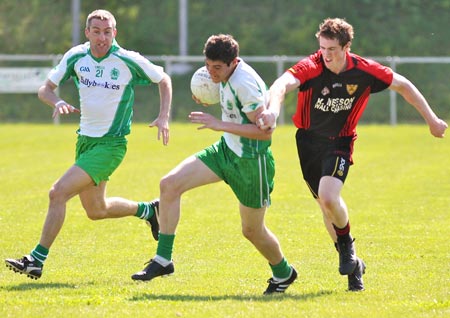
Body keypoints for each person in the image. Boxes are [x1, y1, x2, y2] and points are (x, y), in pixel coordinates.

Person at [257, 18, 448, 291]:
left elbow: (403, 85)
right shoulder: (312, 66)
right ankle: (354, 267)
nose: (326, 54)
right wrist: (273, 111)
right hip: (308, 143)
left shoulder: (364, 70)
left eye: (332, 49)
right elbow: (281, 85)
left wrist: (431, 119)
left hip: (340, 141)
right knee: (326, 207)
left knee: (329, 196)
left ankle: (346, 245)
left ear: (347, 47)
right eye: (322, 47)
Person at [5, 9, 172, 280]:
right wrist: (56, 100)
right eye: (96, 31)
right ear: (88, 33)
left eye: (107, 32)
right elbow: (44, 89)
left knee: (57, 193)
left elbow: (163, 79)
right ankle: (148, 210)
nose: (102, 37)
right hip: (85, 141)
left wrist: (164, 116)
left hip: (111, 145)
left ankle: (36, 260)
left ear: (115, 33)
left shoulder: (126, 60)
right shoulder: (76, 56)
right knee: (97, 210)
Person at [131, 34, 297, 295]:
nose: (210, 72)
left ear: (234, 62)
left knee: (252, 231)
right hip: (225, 151)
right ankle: (163, 260)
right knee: (169, 185)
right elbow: (231, 103)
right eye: (208, 65)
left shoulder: (246, 84)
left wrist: (218, 123)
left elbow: (264, 132)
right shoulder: (221, 74)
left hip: (252, 164)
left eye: (217, 68)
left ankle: (284, 273)